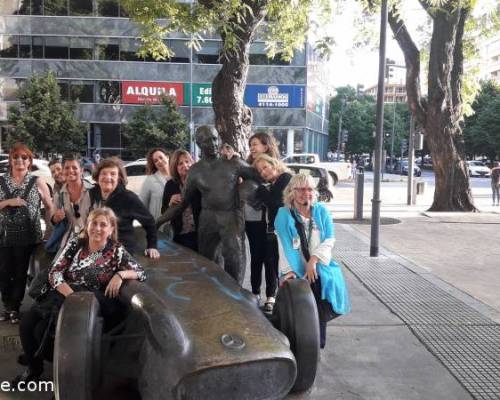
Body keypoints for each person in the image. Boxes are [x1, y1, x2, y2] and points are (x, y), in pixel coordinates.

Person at [13, 207, 146, 384]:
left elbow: (141, 272)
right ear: (88, 225)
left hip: (86, 303)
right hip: (62, 294)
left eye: (103, 225)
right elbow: (55, 272)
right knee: (27, 324)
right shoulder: (76, 243)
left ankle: (61, 377)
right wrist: (69, 294)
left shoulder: (116, 251)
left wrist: (120, 274)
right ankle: (33, 368)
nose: (97, 228)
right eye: (94, 223)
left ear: (111, 229)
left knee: (43, 332)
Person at [157, 126, 260, 284]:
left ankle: (236, 294)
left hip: (230, 214)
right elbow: (183, 202)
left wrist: (249, 190)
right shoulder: (195, 171)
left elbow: (259, 175)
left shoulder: (233, 162)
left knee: (235, 255)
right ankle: (212, 292)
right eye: (207, 141)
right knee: (207, 258)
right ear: (198, 143)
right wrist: (159, 220)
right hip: (208, 216)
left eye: (214, 138)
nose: (212, 143)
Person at [274, 174, 350, 349]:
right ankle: (299, 342)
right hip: (294, 265)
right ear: (291, 192)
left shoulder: (321, 211)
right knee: (296, 304)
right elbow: (284, 245)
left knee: (319, 291)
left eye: (309, 189)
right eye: (300, 189)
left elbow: (329, 239)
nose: (305, 193)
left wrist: (313, 261)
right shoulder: (283, 214)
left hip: (319, 264)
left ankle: (317, 343)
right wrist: (288, 271)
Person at [0, 143, 53, 324]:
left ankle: (14, 307)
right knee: (4, 271)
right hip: (4, 236)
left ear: (29, 161)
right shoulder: (1, 181)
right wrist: (9, 201)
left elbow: (49, 206)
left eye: (24, 157)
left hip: (28, 236)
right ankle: (7, 305)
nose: (20, 161)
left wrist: (50, 231)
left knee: (20, 272)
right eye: (16, 157)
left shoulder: (37, 181)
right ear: (10, 160)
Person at [89, 157, 160, 259]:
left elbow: (149, 222)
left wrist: (152, 246)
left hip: (119, 251)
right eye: (104, 173)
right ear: (98, 176)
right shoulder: (91, 194)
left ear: (119, 178)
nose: (108, 177)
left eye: (113, 174)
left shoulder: (128, 198)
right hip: (94, 247)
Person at [251, 154, 292, 312]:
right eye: (260, 171)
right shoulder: (274, 183)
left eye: (265, 167)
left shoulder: (285, 178)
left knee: (282, 266)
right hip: (274, 230)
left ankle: (283, 300)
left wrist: (261, 191)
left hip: (284, 231)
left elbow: (277, 204)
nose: (264, 172)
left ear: (274, 164)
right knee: (273, 264)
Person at [244, 133, 280, 306]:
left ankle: (271, 295)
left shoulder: (275, 168)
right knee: (256, 256)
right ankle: (255, 292)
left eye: (255, 144)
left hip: (271, 222)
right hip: (252, 219)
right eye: (250, 144)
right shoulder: (247, 166)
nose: (252, 147)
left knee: (271, 258)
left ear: (266, 146)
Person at [50, 153, 93, 252]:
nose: (70, 171)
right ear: (63, 171)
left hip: (91, 243)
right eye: (67, 168)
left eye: (74, 167)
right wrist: (56, 218)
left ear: (81, 171)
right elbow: (52, 222)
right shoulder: (59, 195)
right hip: (66, 245)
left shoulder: (93, 192)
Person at [161, 150, 200, 251]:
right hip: (179, 234)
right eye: (180, 163)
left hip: (200, 233)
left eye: (187, 161)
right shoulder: (170, 185)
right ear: (175, 167)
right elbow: (163, 210)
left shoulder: (199, 182)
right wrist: (170, 203)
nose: (185, 165)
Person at [139, 148, 170, 221]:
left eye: (161, 157)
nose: (159, 161)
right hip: (159, 226)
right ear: (154, 165)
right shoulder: (150, 181)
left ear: (167, 157)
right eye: (156, 161)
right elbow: (142, 207)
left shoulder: (178, 177)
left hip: (179, 225)